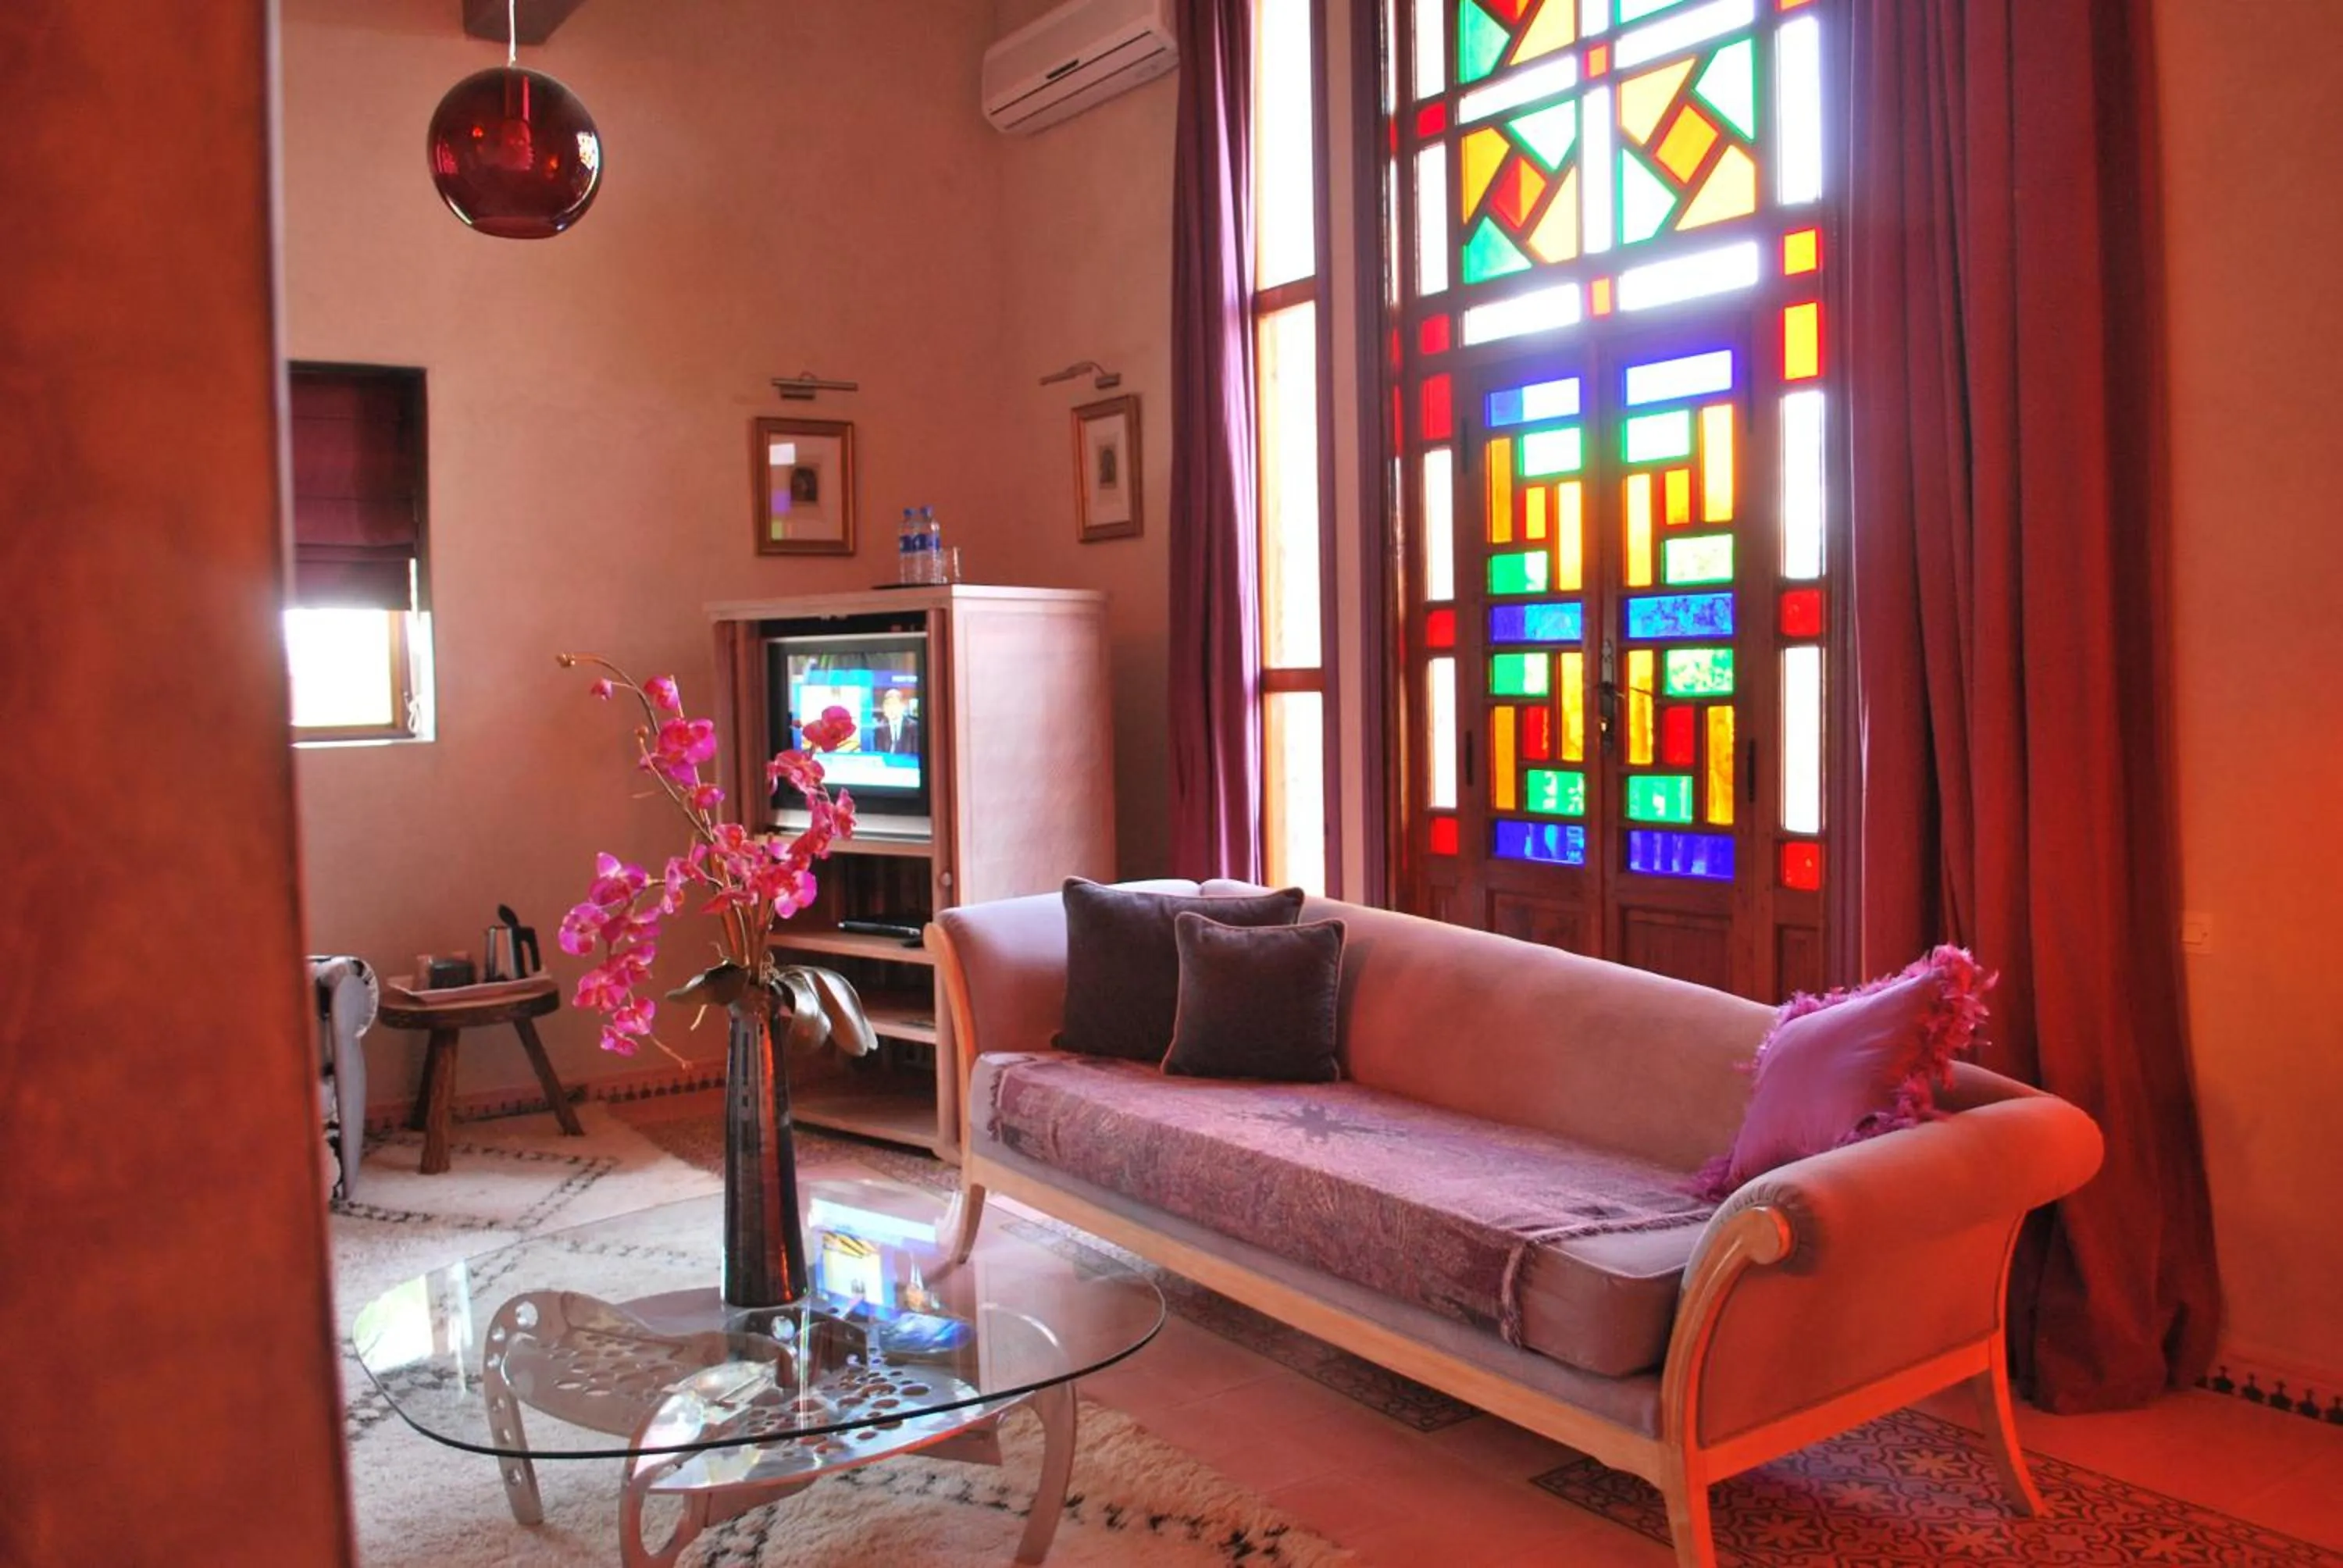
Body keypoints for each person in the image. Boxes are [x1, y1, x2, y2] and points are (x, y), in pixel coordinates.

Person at [871, 686, 920, 756]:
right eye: (888, 704)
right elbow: (878, 754)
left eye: (894, 704)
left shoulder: (913, 726)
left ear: (902, 706)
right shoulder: (878, 728)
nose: (891, 708)